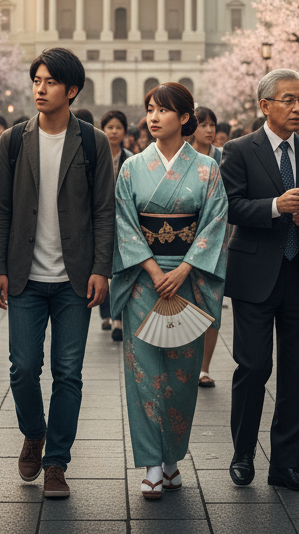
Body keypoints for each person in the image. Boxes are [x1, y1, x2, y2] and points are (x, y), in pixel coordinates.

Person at [0, 48, 114, 500]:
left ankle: (57, 462)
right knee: (22, 368)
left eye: (50, 82)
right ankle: (34, 432)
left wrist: (102, 269)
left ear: (71, 90)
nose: (40, 89)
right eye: (36, 81)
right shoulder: (15, 140)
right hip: (23, 277)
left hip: (74, 279)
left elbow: (104, 211)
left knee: (68, 371)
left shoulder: (93, 142)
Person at [222, 68, 299, 492]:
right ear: (264, 105)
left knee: (296, 372)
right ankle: (243, 453)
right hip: (255, 275)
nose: (297, 107)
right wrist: (274, 206)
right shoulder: (238, 150)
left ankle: (285, 464)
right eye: (288, 99)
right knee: (252, 368)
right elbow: (230, 206)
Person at [112, 82, 227, 499]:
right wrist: (150, 267)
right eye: (149, 109)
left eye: (163, 110)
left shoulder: (207, 168)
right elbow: (124, 222)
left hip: (188, 279)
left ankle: (173, 458)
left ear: (184, 118)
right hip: (144, 280)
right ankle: (151, 465)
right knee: (144, 374)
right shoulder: (130, 168)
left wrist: (182, 270)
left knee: (180, 374)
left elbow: (214, 224)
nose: (153, 116)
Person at [190, 106, 222, 387]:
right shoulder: (185, 157)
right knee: (187, 303)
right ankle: (186, 361)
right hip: (186, 240)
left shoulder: (224, 158)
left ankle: (204, 367)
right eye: (203, 124)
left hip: (218, 240)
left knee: (212, 303)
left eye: (212, 125)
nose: (209, 130)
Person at [100, 109, 131, 341]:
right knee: (102, 266)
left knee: (120, 269)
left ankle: (118, 317)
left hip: (122, 220)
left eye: (118, 127)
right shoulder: (95, 156)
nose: (113, 131)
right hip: (100, 220)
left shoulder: (130, 159)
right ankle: (106, 313)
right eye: (109, 127)